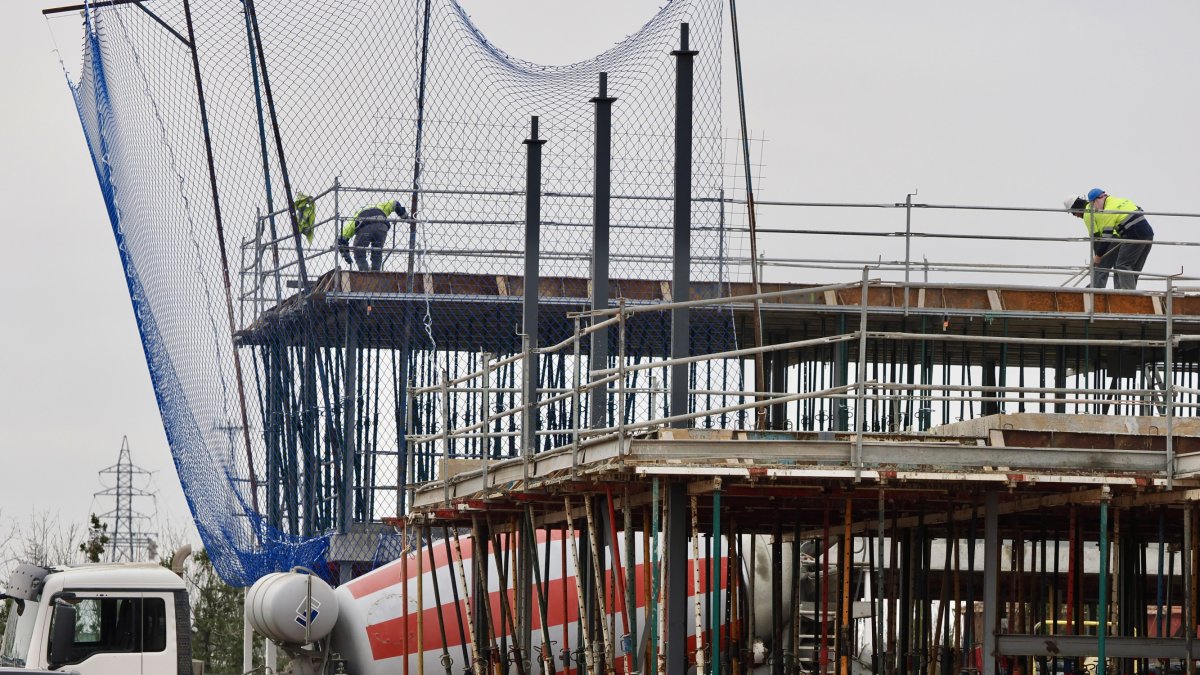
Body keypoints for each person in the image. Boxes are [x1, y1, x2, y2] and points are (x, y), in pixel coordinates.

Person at [1063, 188, 1153, 289]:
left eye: (1074, 213)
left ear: (1076, 209)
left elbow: (1096, 237)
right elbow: (1139, 209)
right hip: (1136, 233)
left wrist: (1097, 257)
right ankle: (1122, 291)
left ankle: (1096, 289)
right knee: (1125, 267)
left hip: (1117, 237)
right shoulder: (1118, 201)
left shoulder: (1090, 213)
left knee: (1105, 266)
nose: (1076, 216)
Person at [337, 198, 410, 271]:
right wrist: (406, 217)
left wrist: (345, 254)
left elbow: (341, 237)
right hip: (382, 226)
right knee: (377, 251)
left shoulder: (355, 217)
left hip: (365, 226)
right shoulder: (380, 206)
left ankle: (364, 271)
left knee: (359, 250)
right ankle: (376, 272)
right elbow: (395, 204)